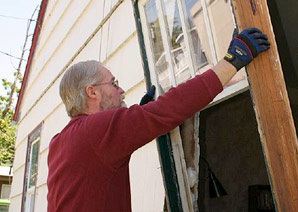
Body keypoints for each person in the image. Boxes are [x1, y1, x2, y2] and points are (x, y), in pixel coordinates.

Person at [47, 27, 270, 211]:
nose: (121, 90)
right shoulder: (96, 131)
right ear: (92, 92)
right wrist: (231, 62)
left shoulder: (59, 142)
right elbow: (170, 107)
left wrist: (137, 120)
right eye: (114, 83)